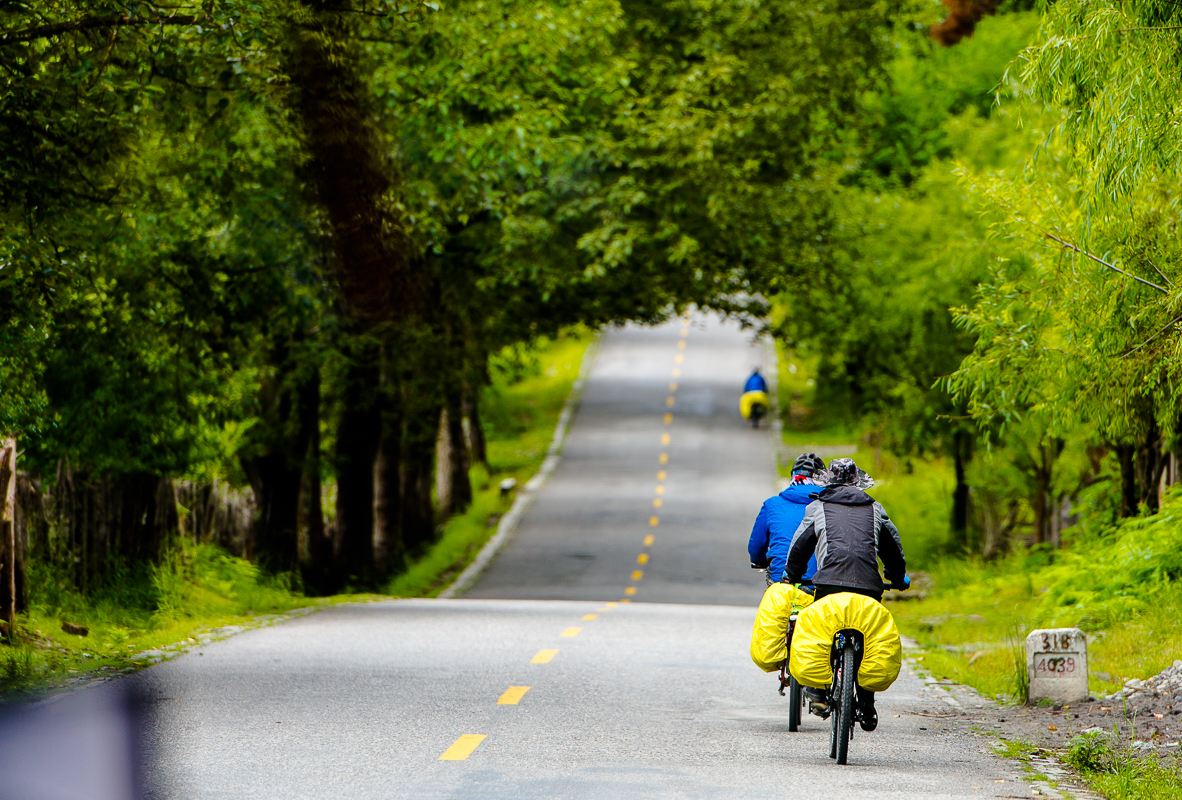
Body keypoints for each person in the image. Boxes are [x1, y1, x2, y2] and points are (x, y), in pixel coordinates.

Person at [783, 457, 908, 732]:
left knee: (819, 629)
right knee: (867, 635)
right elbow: (892, 548)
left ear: (829, 481)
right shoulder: (875, 508)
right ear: (857, 483)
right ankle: (867, 700)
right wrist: (897, 578)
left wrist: (791, 575)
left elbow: (800, 545)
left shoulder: (818, 507)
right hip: (868, 586)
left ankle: (817, 689)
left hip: (828, 584)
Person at [747, 453, 825, 586]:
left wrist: (759, 560)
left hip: (782, 581)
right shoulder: (831, 507)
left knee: (775, 601)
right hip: (820, 582)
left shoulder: (772, 504)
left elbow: (756, 545)